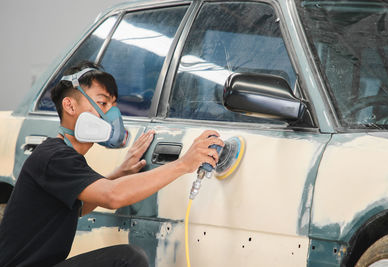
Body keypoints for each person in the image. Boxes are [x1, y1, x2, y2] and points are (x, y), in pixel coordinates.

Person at [0, 61, 224, 267]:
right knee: (126, 260)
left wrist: (119, 174)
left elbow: (74, 210)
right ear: (69, 106)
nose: (111, 114)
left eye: (113, 105)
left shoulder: (59, 154)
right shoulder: (55, 157)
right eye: (102, 103)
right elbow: (112, 197)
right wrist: (183, 164)